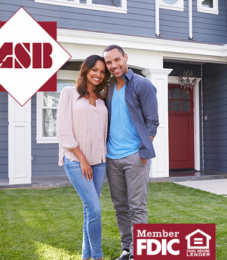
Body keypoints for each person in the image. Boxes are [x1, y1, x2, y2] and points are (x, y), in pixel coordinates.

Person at [103, 45, 159, 260]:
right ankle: (127, 249)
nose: (113, 65)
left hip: (135, 155)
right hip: (112, 157)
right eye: (109, 62)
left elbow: (152, 122)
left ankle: (140, 253)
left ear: (125, 58)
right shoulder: (107, 87)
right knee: (120, 207)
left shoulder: (142, 85)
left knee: (137, 207)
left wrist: (143, 151)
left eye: (117, 59)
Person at [56, 55, 110, 260]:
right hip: (77, 162)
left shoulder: (102, 98)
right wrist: (82, 159)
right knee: (95, 209)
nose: (98, 74)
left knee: (90, 211)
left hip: (99, 162)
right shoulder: (69, 93)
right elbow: (63, 131)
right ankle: (98, 257)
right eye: (94, 69)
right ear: (85, 69)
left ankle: (85, 256)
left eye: (102, 71)